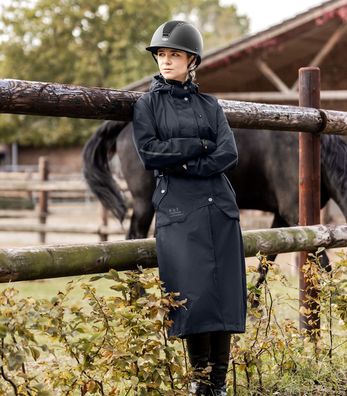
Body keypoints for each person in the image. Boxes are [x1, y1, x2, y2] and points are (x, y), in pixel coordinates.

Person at [132, 20, 246, 396]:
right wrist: (199, 146)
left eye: (174, 54)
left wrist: (182, 158)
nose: (166, 61)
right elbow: (150, 154)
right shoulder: (147, 104)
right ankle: (201, 386)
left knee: (223, 299)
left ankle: (218, 386)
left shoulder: (210, 105)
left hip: (220, 209)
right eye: (162, 54)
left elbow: (227, 152)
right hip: (179, 211)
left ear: (191, 59)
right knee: (193, 300)